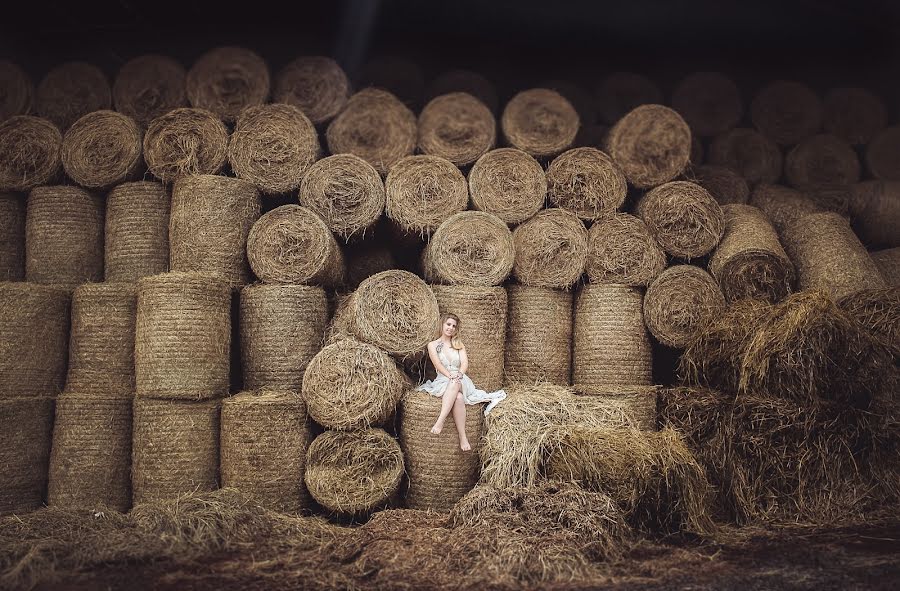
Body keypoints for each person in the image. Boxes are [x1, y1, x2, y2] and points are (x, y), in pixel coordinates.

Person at [416, 313, 506, 451]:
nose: (451, 328)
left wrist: (459, 374)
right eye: (448, 324)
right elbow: (438, 364)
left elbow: (464, 363)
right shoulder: (432, 345)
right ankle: (463, 437)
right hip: (443, 378)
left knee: (456, 383)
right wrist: (449, 375)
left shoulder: (458, 344)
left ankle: (440, 421)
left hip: (461, 379)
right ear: (442, 324)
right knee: (458, 397)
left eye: (454, 326)